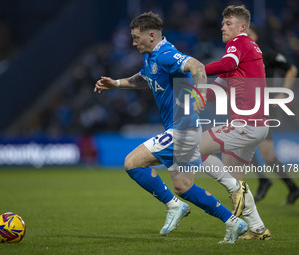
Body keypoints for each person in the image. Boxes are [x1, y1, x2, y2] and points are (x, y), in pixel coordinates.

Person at [95, 11, 247, 244]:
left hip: (181, 129)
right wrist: (115, 83)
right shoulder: (151, 56)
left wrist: (201, 93)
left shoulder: (166, 54)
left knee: (132, 163)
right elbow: (144, 78)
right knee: (183, 186)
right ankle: (233, 222)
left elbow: (196, 66)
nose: (134, 42)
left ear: (152, 35)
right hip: (182, 128)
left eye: (137, 38)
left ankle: (174, 206)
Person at [195, 5, 271, 240]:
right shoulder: (241, 57)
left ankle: (236, 189)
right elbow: (214, 91)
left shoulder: (240, 43)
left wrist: (196, 70)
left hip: (246, 124)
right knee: (233, 177)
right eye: (223, 23)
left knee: (195, 149)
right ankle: (258, 229)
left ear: (242, 27)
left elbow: (226, 65)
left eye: (228, 23)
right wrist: (190, 95)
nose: (223, 27)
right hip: (257, 126)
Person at [248, 25, 299, 204]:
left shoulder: (266, 53)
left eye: (246, 33)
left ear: (254, 35)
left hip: (264, 106)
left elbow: (291, 68)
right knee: (262, 151)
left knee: (264, 153)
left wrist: (284, 92)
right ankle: (290, 187)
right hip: (247, 106)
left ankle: (267, 182)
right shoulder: (240, 55)